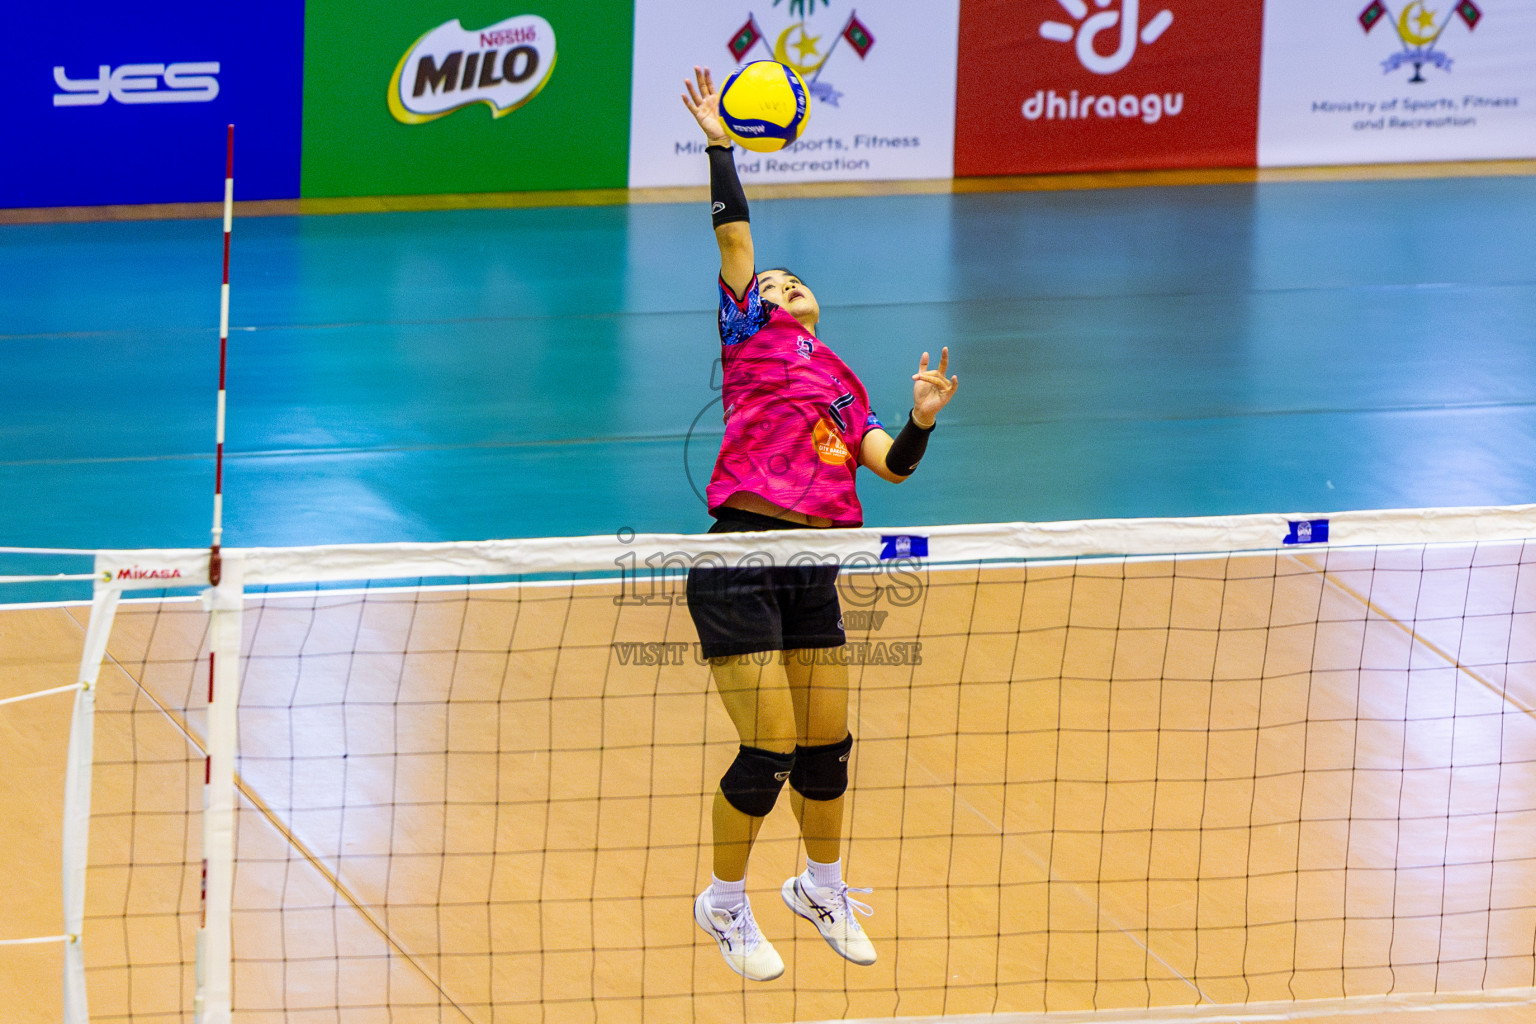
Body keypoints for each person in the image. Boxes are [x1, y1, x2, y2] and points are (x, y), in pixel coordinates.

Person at [679, 65, 960, 982]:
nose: (785, 282)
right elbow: (734, 235)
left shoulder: (843, 380)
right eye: (774, 280)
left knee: (827, 750)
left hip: (814, 564)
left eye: (797, 281)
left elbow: (893, 467)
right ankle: (724, 904)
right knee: (765, 751)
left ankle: (820, 886)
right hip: (740, 555)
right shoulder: (744, 332)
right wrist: (720, 144)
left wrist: (918, 415)